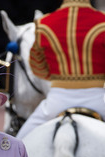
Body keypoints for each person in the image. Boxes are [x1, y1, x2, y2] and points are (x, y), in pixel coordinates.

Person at [16, 0, 105, 139]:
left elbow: (37, 66)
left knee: (18, 146)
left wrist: (57, 75)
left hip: (57, 101)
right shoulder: (102, 21)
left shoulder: (44, 23)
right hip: (99, 100)